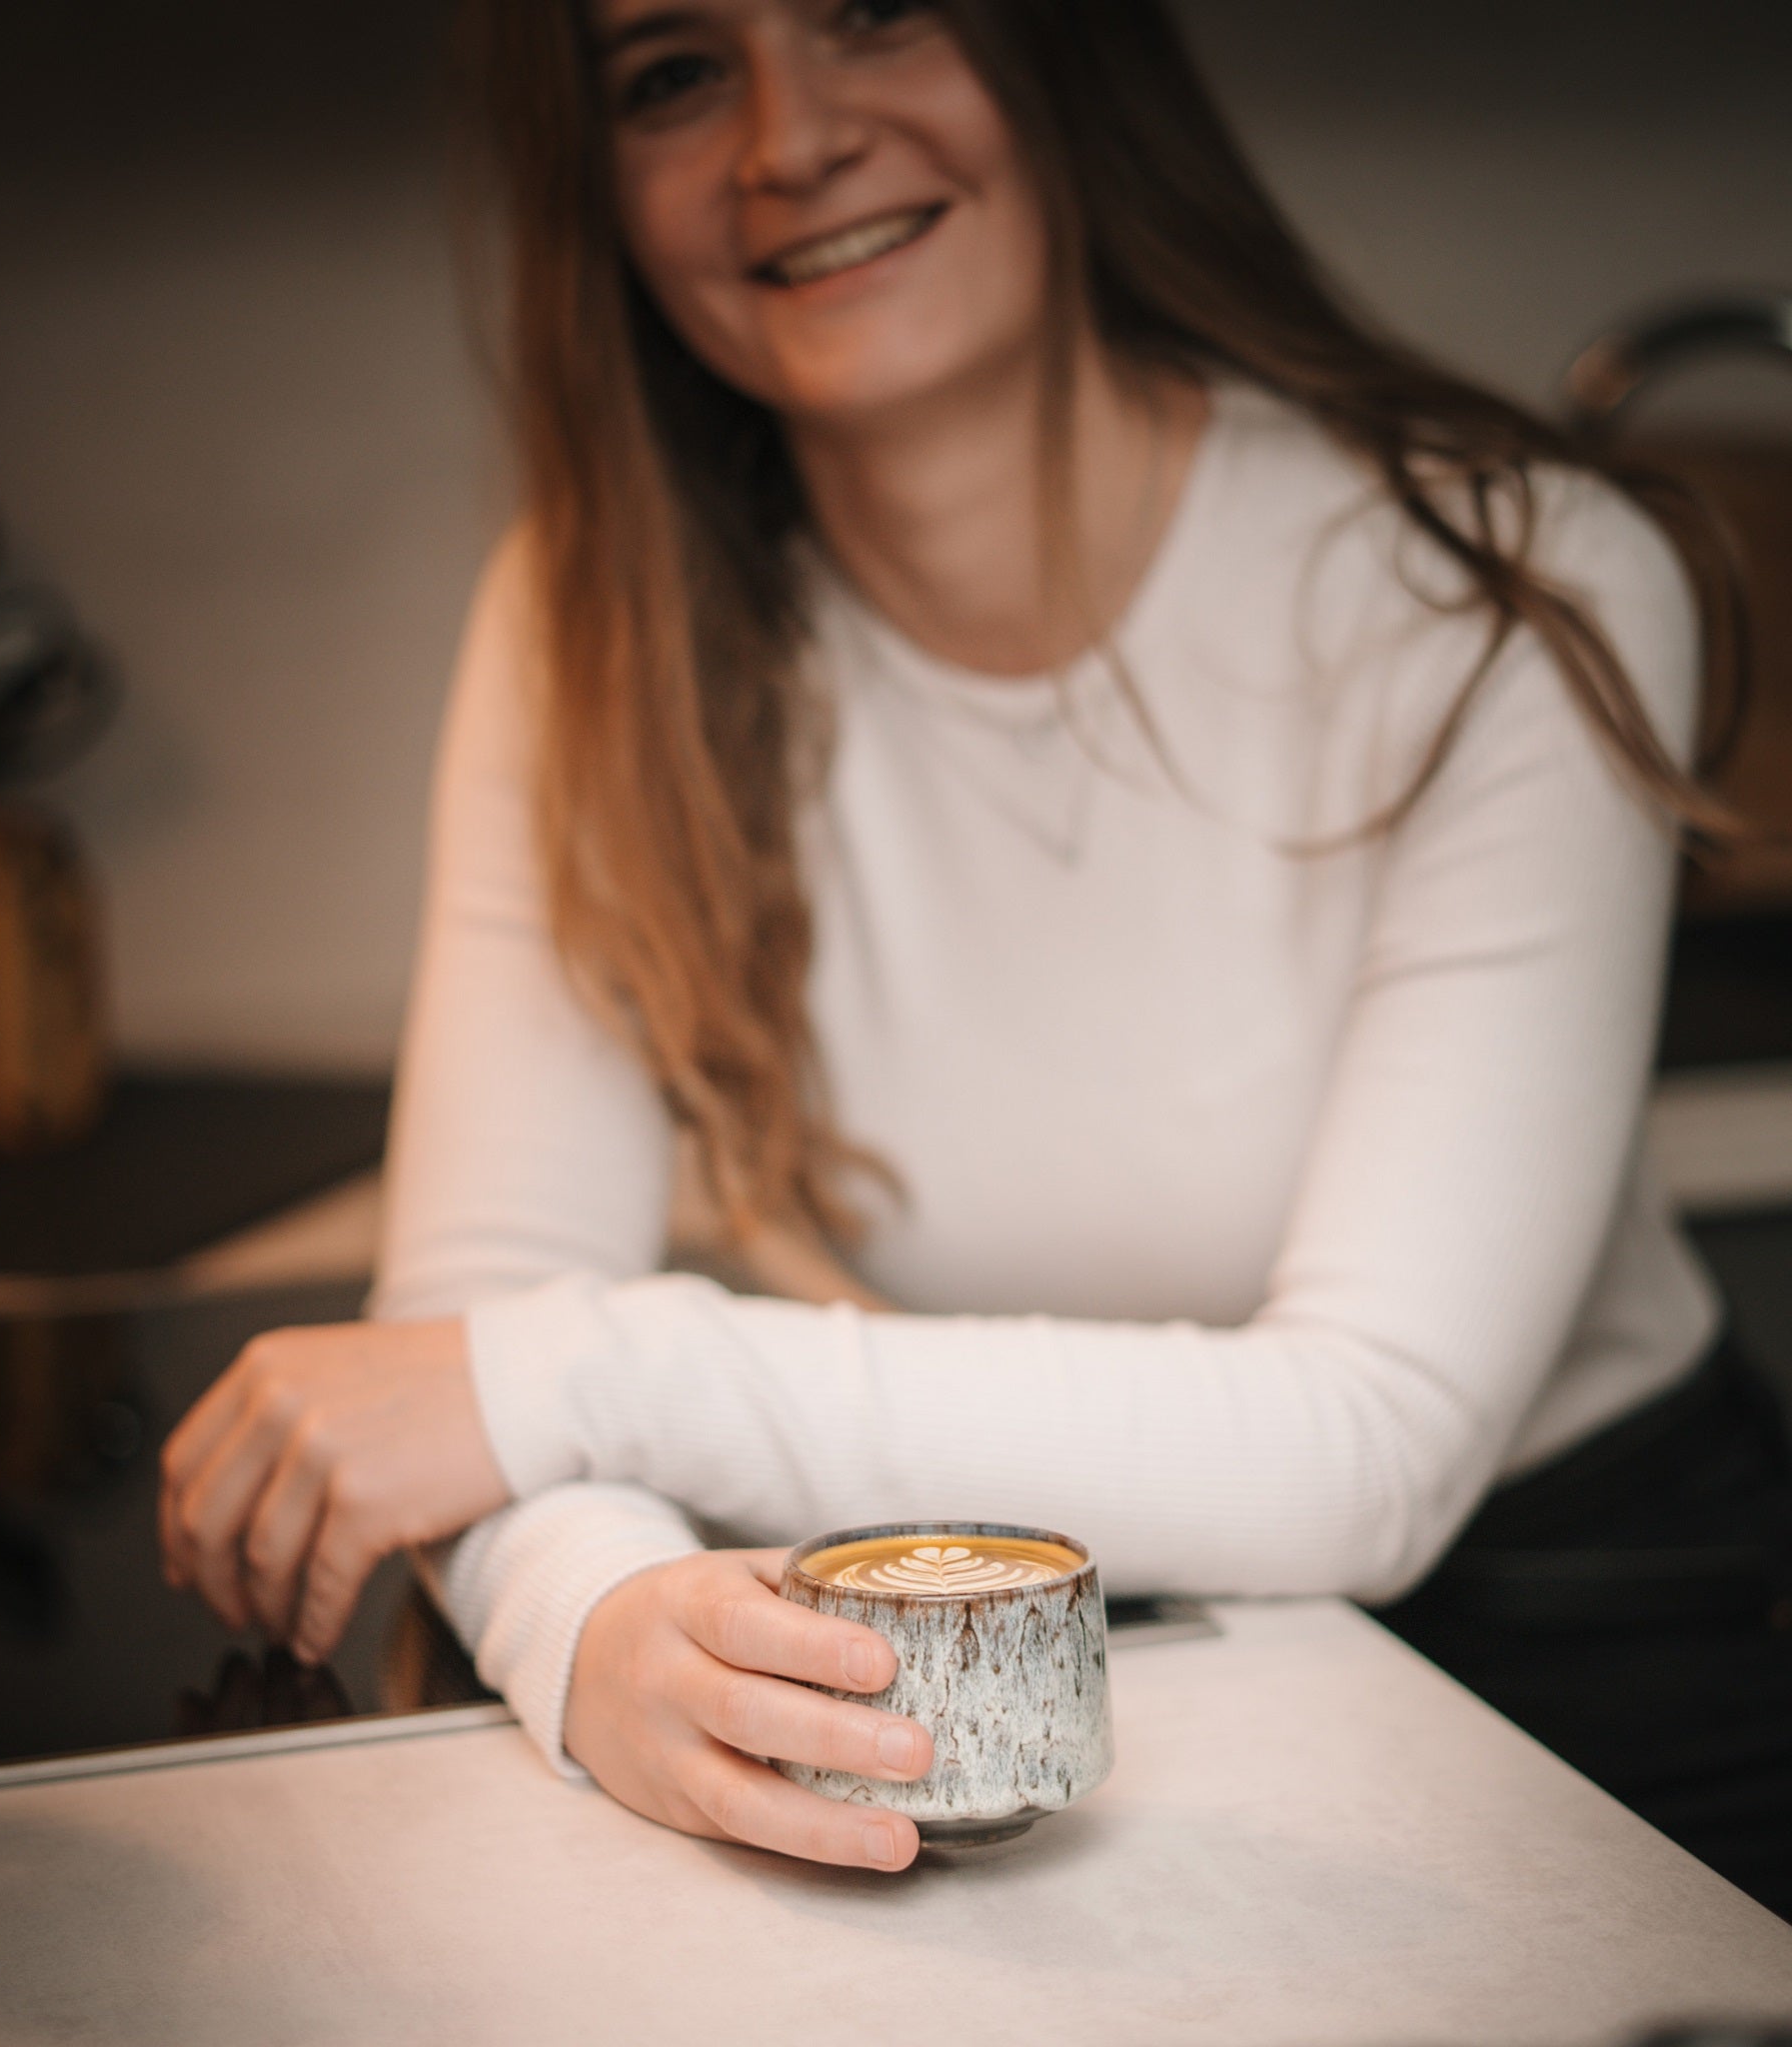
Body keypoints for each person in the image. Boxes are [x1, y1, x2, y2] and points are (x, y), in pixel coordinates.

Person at [158, 0, 1792, 1903]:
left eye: (873, 12)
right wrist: (593, 1625)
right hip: (997, 1642)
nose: (790, 141)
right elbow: (481, 1333)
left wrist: (566, 1376)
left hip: (1592, 1633)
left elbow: (1372, 1454)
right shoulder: (589, 621)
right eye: (674, 73)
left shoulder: (1516, 578)